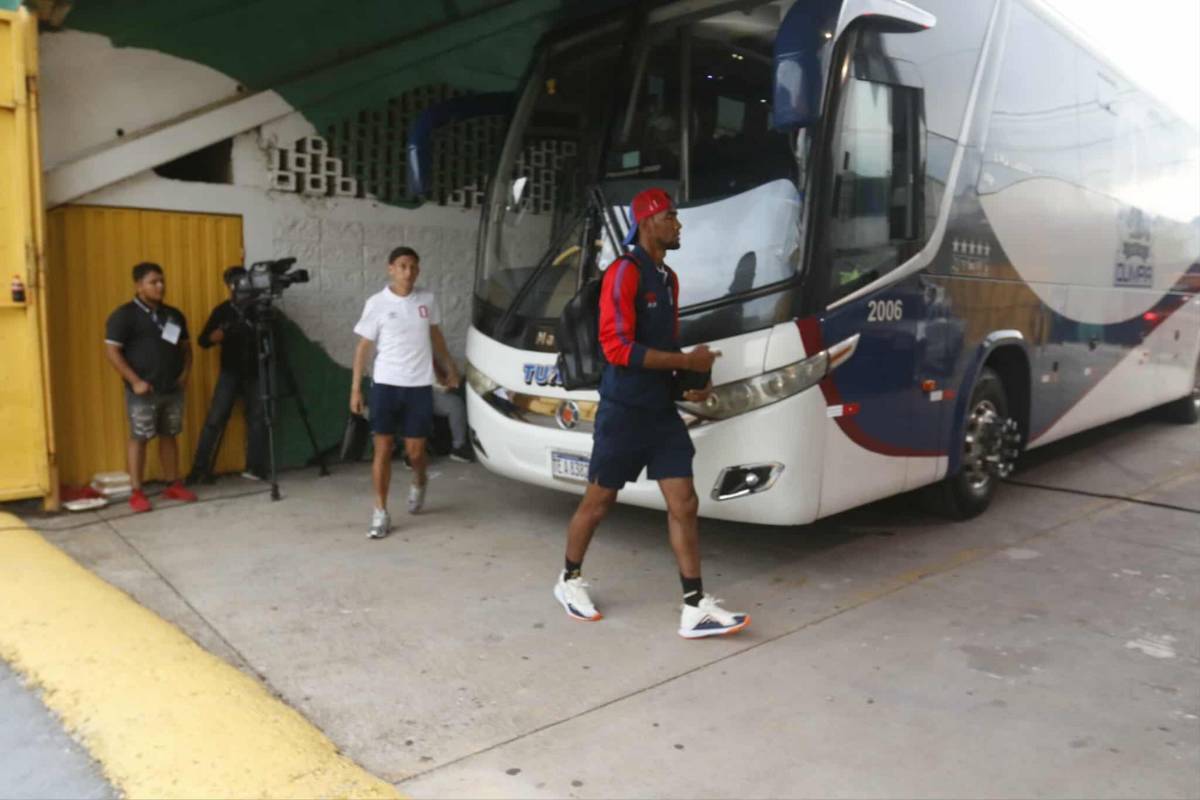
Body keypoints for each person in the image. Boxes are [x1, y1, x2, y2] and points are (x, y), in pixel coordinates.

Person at [553, 187, 750, 639]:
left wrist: (691, 382)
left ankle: (695, 604)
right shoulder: (623, 274)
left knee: (684, 502)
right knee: (599, 501)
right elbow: (616, 348)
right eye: (672, 218)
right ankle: (569, 579)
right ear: (649, 222)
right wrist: (686, 362)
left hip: (659, 411)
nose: (679, 225)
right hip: (623, 411)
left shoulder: (668, 279)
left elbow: (664, 348)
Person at [350, 246, 461, 539]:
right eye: (402, 266)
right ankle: (380, 511)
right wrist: (355, 390)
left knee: (415, 452)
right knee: (383, 448)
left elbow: (435, 335)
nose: (408, 272)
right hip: (385, 384)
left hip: (418, 386)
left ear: (418, 270)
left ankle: (419, 480)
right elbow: (363, 348)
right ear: (391, 269)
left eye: (413, 267)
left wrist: (449, 366)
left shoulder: (427, 300)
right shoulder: (376, 303)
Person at [103, 262, 199, 512]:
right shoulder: (124, 316)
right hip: (143, 390)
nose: (160, 286)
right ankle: (137, 491)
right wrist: (135, 381)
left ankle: (172, 483)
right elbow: (112, 351)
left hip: (172, 389)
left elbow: (186, 350)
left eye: (162, 281)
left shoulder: (173, 315)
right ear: (138, 285)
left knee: (169, 435)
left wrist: (185, 375)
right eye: (153, 282)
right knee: (140, 437)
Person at [186, 266, 269, 484]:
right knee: (215, 419)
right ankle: (200, 468)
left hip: (255, 372)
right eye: (235, 283)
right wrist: (216, 336)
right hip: (230, 372)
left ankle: (256, 467)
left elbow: (273, 339)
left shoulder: (259, 309)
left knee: (257, 420)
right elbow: (202, 341)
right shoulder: (223, 310)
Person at [433, 358, 475, 463]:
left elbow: (437, 369)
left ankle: (460, 447)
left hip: (432, 387)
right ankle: (459, 446)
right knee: (455, 404)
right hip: (416, 391)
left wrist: (446, 379)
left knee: (463, 390)